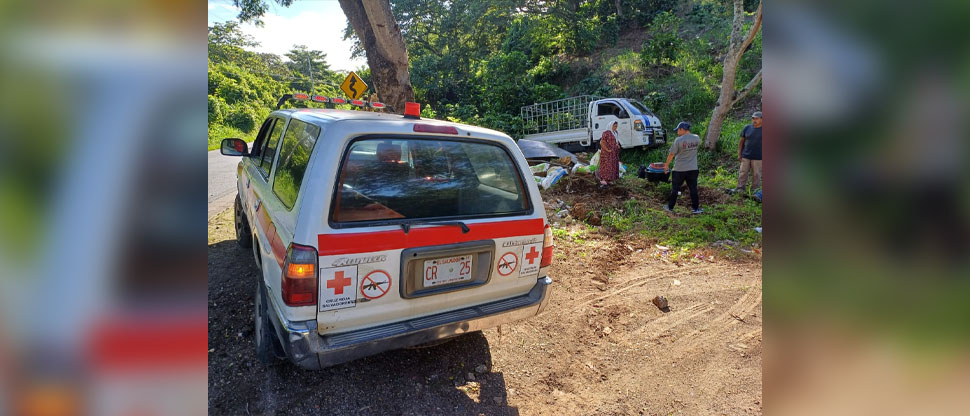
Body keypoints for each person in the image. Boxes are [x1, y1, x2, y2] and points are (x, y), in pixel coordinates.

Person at [663, 122, 702, 214]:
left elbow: (671, 154)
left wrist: (666, 165)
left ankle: (670, 207)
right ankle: (696, 208)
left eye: (678, 130)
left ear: (682, 129)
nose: (677, 132)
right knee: (693, 188)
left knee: (675, 189)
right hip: (693, 168)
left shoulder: (678, 140)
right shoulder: (697, 138)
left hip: (679, 169)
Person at [736, 111, 763, 193]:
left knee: (756, 174)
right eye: (753, 118)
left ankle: (755, 191)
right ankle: (740, 188)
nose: (754, 120)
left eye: (756, 119)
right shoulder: (747, 128)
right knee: (743, 172)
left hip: (759, 157)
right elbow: (741, 142)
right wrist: (739, 154)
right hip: (746, 155)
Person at [597, 121, 620, 188]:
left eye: (616, 126)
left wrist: (617, 145)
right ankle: (604, 179)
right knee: (606, 165)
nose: (615, 128)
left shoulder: (615, 133)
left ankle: (609, 179)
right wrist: (607, 150)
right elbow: (602, 142)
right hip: (607, 153)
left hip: (613, 153)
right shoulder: (606, 133)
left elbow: (616, 141)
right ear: (611, 126)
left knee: (612, 165)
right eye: (614, 126)